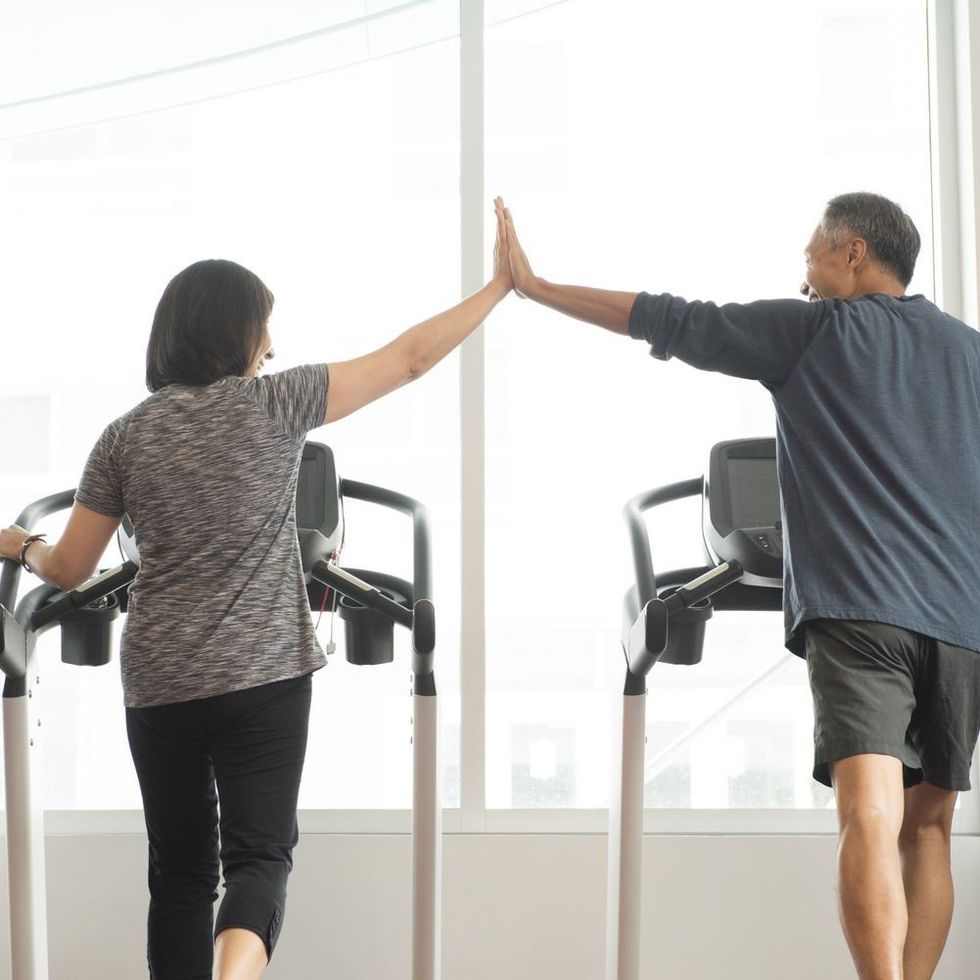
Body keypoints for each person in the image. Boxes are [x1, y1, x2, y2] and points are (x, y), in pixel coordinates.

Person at [0, 200, 512, 980]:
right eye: (264, 327)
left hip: (161, 680)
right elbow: (409, 358)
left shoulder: (124, 435)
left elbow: (70, 569)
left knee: (178, 876)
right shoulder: (277, 405)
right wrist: (499, 287)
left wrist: (22, 545)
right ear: (235, 332)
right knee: (259, 859)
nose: (274, 345)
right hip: (263, 676)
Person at [497, 192, 980, 980]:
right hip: (963, 617)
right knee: (928, 828)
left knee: (867, 810)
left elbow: (672, 319)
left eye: (812, 261)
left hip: (861, 608)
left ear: (851, 252)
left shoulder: (813, 333)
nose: (805, 282)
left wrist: (537, 285)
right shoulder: (971, 352)